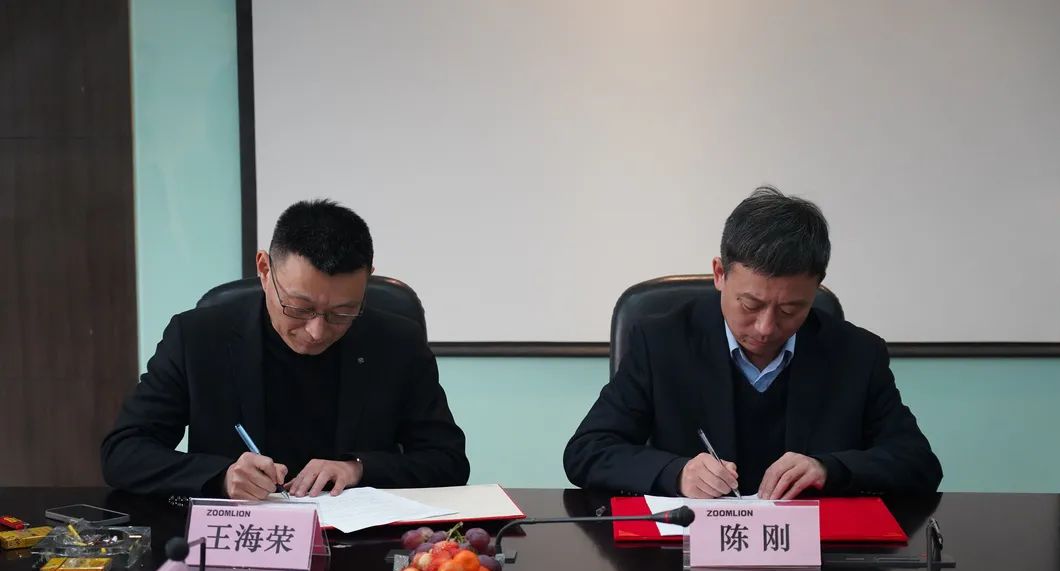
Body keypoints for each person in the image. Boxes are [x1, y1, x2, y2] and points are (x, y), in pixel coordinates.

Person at [563, 186, 941, 499]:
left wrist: (830, 468)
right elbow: (587, 451)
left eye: (791, 309)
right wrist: (676, 473)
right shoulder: (660, 342)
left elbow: (919, 464)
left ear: (816, 288)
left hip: (817, 555)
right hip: (687, 553)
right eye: (750, 304)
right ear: (719, 274)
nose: (766, 327)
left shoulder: (856, 354)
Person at [102, 199, 469, 499]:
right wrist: (221, 476)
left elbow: (448, 460)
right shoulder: (198, 337)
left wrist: (358, 468)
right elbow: (123, 452)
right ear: (264, 270)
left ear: (366, 281)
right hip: (238, 542)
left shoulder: (397, 343)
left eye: (342, 312)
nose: (316, 331)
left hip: (357, 546)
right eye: (299, 308)